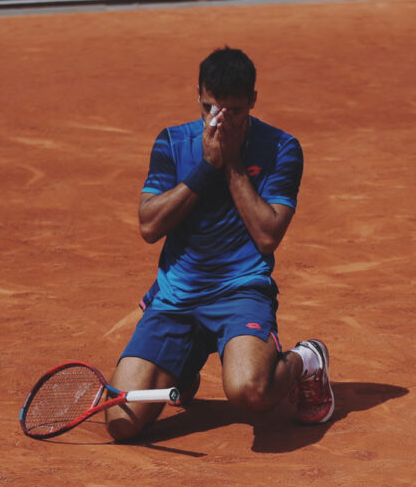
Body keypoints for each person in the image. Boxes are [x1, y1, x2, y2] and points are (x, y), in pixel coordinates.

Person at [105, 47, 334, 441]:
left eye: (234, 111)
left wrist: (229, 164)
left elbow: (267, 235)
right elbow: (148, 226)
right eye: (210, 108)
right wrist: (204, 166)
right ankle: (186, 361)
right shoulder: (173, 143)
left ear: (253, 102)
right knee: (121, 424)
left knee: (249, 391)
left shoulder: (281, 148)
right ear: (198, 94)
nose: (220, 121)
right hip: (177, 296)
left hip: (240, 289)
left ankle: (306, 359)